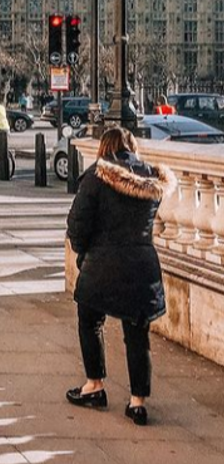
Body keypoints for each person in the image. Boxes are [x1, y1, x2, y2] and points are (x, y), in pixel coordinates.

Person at [65, 126, 176, 425]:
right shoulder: (152, 179)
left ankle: (94, 385)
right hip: (142, 265)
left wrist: (82, 253)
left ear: (105, 148)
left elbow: (77, 224)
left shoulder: (96, 177)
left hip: (103, 264)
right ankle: (138, 402)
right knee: (137, 333)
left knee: (90, 321)